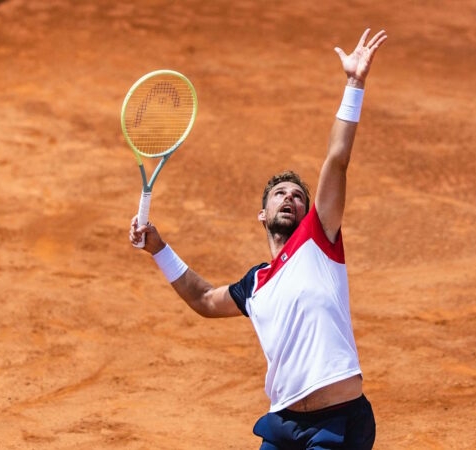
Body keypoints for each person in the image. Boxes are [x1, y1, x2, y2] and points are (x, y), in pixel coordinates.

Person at [129, 28, 387, 449]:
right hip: (282, 425)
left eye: (299, 196)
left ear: (309, 212)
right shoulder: (255, 285)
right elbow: (204, 300)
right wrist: (158, 249)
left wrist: (354, 83)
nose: (290, 198)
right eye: (280, 194)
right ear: (262, 215)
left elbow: (337, 159)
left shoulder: (318, 241)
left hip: (337, 424)